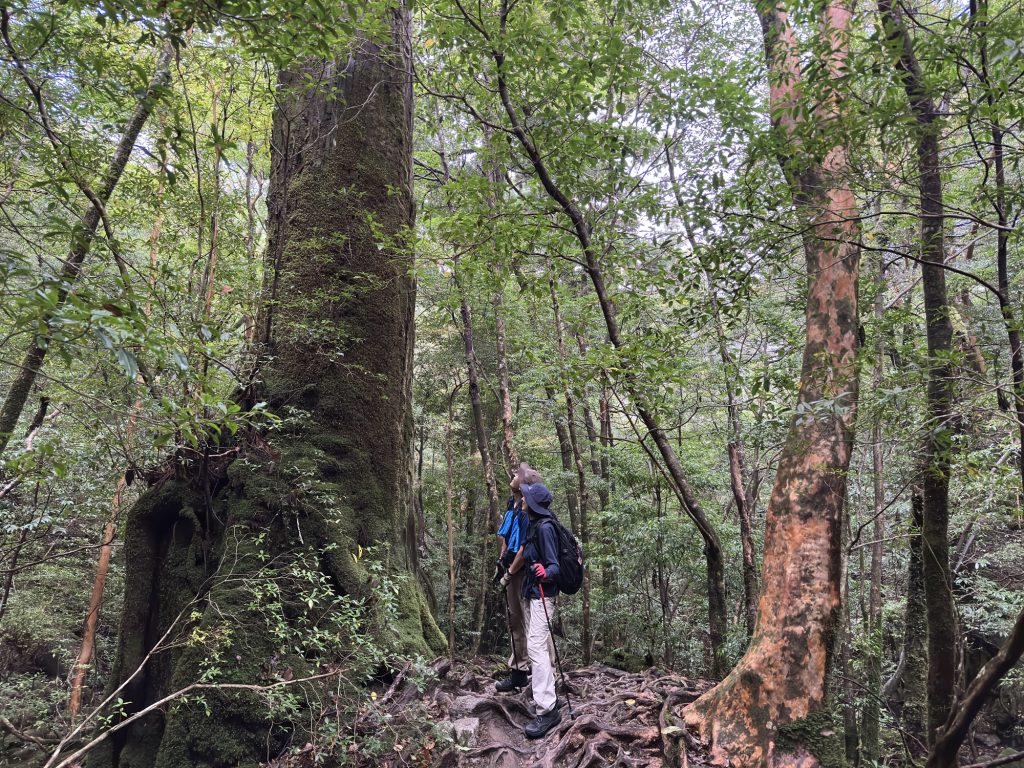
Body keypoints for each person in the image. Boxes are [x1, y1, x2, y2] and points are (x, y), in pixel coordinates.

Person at [518, 480, 562, 739]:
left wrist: (545, 572)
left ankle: (548, 710)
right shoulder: (534, 524)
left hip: (544, 596)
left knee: (535, 646)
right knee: (537, 646)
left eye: (526, 498)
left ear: (533, 504)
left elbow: (554, 566)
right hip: (534, 594)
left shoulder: (545, 528)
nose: (522, 500)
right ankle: (543, 697)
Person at [494, 463, 542, 693]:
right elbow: (506, 535)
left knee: (533, 622)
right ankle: (519, 672)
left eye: (517, 475)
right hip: (510, 568)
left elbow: (524, 548)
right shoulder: (512, 504)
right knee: (515, 620)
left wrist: (510, 572)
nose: (513, 476)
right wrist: (501, 563)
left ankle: (544, 677)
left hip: (522, 571)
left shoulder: (527, 511)